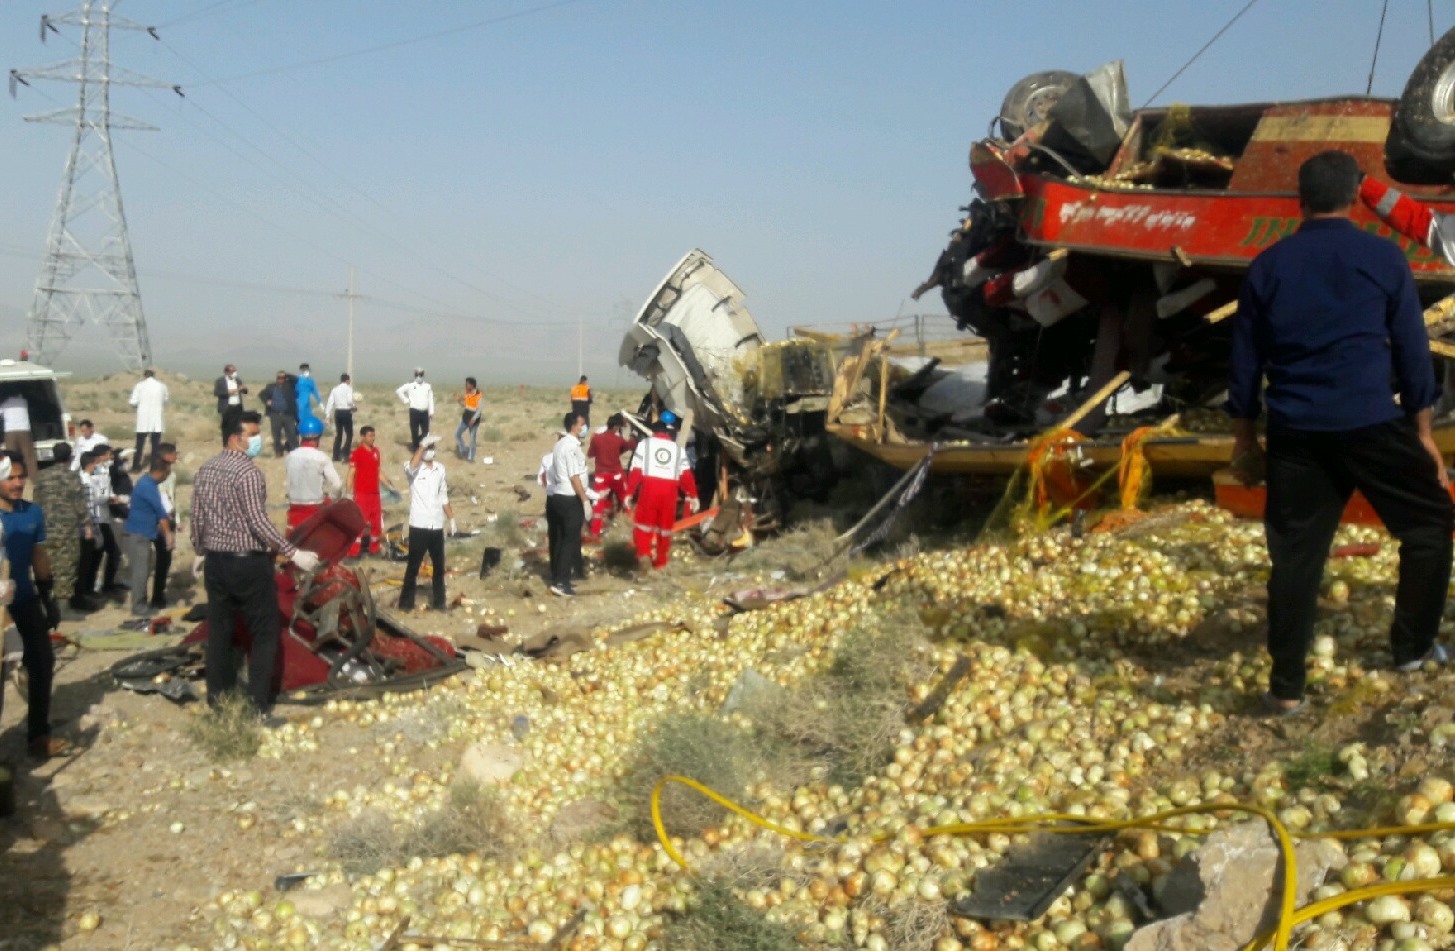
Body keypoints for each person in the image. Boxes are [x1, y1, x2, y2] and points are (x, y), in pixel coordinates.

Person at [1227, 150, 1455, 715]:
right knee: (1428, 526)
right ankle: (1410, 649)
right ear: (1356, 196)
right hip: (1371, 424)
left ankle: (1286, 689)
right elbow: (1411, 351)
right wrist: (1423, 432)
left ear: (1299, 201)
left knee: (1297, 557)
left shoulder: (1268, 265)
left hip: (1296, 433)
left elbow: (1244, 364)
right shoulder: (1382, 256)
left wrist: (1244, 443)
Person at [190, 411, 320, 714]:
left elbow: (197, 516)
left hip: (217, 564)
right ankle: (258, 705)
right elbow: (258, 521)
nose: (258, 439)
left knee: (219, 632)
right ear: (235, 438)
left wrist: (200, 549)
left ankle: (217, 699)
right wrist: (293, 552)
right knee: (264, 632)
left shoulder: (206, 469)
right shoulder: (248, 473)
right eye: (253, 433)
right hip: (247, 564)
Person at [0, 453, 68, 760]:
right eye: (10, 477)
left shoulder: (32, 513)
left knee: (42, 662)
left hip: (25, 600)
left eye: (20, 477)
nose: (16, 483)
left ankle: (38, 735)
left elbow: (38, 556)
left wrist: (48, 597)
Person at [625, 411, 699, 570]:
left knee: (644, 525)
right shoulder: (678, 449)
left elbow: (636, 471)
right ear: (670, 432)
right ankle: (660, 562)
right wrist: (693, 495)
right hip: (669, 491)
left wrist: (629, 493)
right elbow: (686, 475)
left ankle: (644, 554)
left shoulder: (644, 444)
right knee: (664, 529)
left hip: (649, 489)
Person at [32, 442, 94, 613]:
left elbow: (36, 501)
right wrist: (87, 524)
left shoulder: (41, 475)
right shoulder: (72, 476)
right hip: (67, 528)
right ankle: (63, 607)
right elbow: (79, 503)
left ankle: (47, 603)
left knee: (48, 565)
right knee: (67, 566)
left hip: (46, 527)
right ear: (70, 456)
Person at [398, 434, 454, 611]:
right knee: (413, 566)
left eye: (432, 448)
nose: (430, 451)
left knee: (439, 567)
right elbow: (412, 466)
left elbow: (443, 495)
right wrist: (422, 445)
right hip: (419, 525)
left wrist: (451, 518)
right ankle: (406, 604)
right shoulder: (413, 468)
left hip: (436, 524)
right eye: (427, 448)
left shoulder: (440, 469)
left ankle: (439, 603)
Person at [546, 413, 594, 597]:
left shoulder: (559, 444)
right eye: (582, 424)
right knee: (569, 540)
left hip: (558, 496)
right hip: (569, 497)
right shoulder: (572, 447)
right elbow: (574, 477)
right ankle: (562, 582)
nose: (584, 427)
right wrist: (585, 501)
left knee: (559, 539)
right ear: (574, 426)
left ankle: (557, 576)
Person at [121, 450, 173, 618]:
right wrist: (168, 535)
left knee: (142, 569)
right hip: (139, 534)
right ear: (161, 472)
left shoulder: (146, 483)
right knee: (140, 572)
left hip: (143, 532)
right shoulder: (147, 486)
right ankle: (139, 607)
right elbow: (161, 513)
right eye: (167, 474)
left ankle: (141, 604)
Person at [78, 446, 123, 599]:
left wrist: (111, 495)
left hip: (102, 518)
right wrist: (109, 497)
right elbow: (96, 497)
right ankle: (100, 586)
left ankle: (94, 586)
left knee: (98, 555)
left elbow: (105, 490)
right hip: (96, 520)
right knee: (110, 553)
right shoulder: (87, 479)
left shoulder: (102, 472)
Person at [346, 425, 396, 557]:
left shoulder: (376, 452)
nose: (372, 438)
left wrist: (389, 485)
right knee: (360, 523)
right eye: (369, 436)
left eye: (373, 435)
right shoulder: (356, 454)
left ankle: (374, 549)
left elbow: (378, 471)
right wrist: (348, 493)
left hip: (375, 494)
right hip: (362, 494)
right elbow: (351, 474)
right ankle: (353, 552)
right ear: (362, 437)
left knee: (376, 524)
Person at [285, 417, 342, 532]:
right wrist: (330, 499)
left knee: (293, 544)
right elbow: (337, 484)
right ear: (319, 436)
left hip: (294, 507)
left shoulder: (290, 456)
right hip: (315, 507)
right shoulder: (321, 457)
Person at [586, 412, 637, 538]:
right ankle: (632, 527)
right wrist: (633, 437)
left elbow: (590, 454)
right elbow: (630, 446)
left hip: (601, 476)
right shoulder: (618, 439)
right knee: (625, 499)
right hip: (617, 475)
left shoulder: (596, 438)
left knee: (599, 503)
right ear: (617, 427)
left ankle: (595, 531)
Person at [149, 442, 179, 609]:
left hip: (169, 516)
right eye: (174, 453)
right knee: (162, 558)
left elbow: (174, 497)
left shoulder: (171, 475)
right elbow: (162, 498)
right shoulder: (160, 475)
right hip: (162, 519)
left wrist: (178, 519)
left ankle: (159, 593)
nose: (176, 456)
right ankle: (157, 596)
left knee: (165, 559)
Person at [128, 368, 169, 473]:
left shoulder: (139, 386)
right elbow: (165, 400)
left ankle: (136, 466)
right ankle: (154, 467)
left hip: (143, 418)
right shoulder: (162, 386)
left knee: (139, 444)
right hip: (157, 419)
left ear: (145, 376)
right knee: (155, 445)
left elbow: (133, 401)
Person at [0, 388, 40, 487]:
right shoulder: (24, 402)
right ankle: (34, 481)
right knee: (29, 457)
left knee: (11, 457)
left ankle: (10, 478)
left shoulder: (4, 403)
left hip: (10, 432)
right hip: (24, 430)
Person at [259, 370, 299, 457]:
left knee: (292, 434)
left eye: (282, 378)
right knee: (276, 435)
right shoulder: (271, 386)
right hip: (275, 415)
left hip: (288, 415)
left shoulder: (289, 386)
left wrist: (286, 374)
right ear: (276, 378)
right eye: (279, 378)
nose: (281, 379)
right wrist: (266, 401)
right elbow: (261, 394)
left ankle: (294, 452)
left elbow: (296, 379)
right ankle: (278, 452)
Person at [396, 367, 435, 451]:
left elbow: (430, 399)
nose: (419, 376)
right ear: (415, 375)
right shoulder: (410, 385)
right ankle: (415, 447)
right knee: (414, 431)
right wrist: (405, 400)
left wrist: (431, 412)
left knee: (426, 432)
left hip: (424, 412)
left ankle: (421, 444)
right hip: (414, 411)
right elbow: (399, 391)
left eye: (420, 375)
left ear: (423, 375)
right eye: (417, 375)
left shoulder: (427, 386)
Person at [324, 372, 357, 462]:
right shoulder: (348, 388)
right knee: (349, 434)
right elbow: (349, 401)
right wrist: (353, 406)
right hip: (346, 412)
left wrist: (327, 415)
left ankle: (335, 456)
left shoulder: (335, 389)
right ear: (347, 380)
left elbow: (330, 402)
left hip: (337, 412)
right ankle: (346, 455)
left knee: (339, 434)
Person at [213, 364, 247, 439]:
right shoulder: (220, 381)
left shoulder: (238, 380)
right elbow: (216, 393)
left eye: (235, 371)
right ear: (226, 372)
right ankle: (226, 443)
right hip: (226, 407)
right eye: (232, 371)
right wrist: (229, 392)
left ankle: (236, 444)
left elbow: (244, 392)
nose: (234, 373)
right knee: (226, 426)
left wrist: (244, 389)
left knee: (238, 426)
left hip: (238, 406)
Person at [454, 377, 483, 462]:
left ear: (472, 385)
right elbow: (465, 405)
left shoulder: (478, 395)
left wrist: (474, 418)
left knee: (472, 439)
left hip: (474, 419)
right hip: (465, 417)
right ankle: (463, 449)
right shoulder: (467, 393)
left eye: (467, 384)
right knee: (457, 434)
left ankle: (471, 457)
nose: (465, 385)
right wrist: (459, 401)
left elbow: (479, 409)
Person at [295, 362, 324, 436]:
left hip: (307, 405)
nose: (306, 372)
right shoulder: (297, 380)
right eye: (305, 370)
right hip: (299, 404)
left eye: (307, 370)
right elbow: (294, 392)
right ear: (301, 371)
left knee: (307, 420)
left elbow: (315, 391)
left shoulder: (310, 381)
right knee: (299, 421)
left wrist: (320, 402)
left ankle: (306, 435)